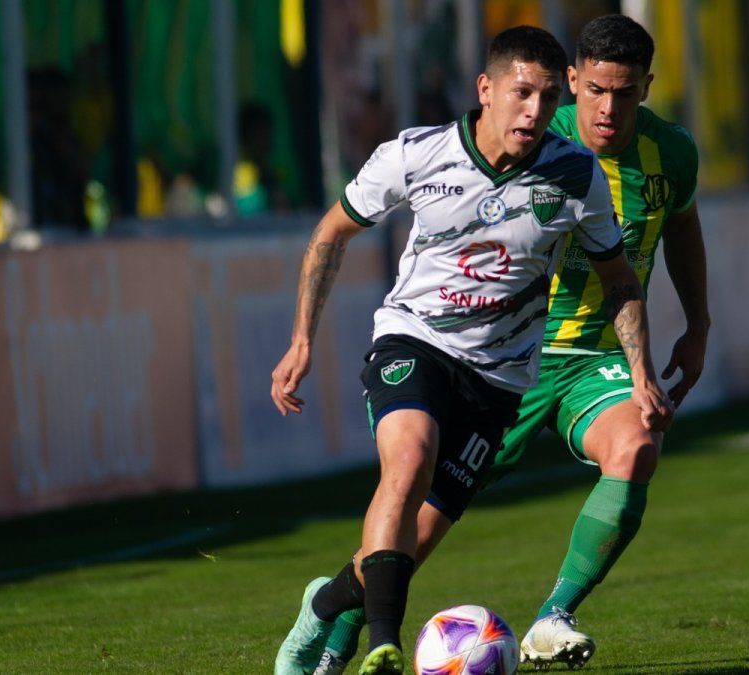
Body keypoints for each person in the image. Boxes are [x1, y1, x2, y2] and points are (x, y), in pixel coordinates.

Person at [271, 25, 672, 675]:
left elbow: (619, 277)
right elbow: (331, 233)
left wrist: (643, 372)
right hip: (414, 342)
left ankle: (325, 604)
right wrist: (301, 339)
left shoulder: (573, 175)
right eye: (521, 93)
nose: (535, 112)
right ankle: (378, 643)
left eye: (546, 98)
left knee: (416, 534)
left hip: (499, 378)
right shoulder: (416, 155)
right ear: (486, 90)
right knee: (409, 459)